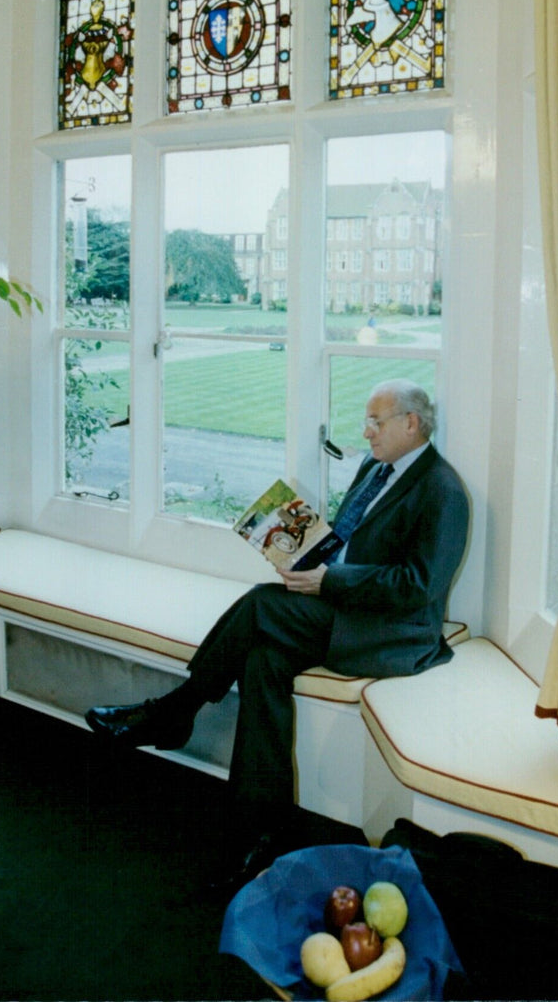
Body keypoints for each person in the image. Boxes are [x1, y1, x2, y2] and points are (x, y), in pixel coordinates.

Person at [85, 379, 469, 891]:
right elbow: (349, 542)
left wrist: (331, 580)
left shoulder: (442, 489)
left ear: (411, 423)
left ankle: (175, 711)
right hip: (345, 607)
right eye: (367, 420)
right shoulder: (374, 468)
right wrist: (305, 554)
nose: (366, 431)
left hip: (393, 633)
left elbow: (421, 587)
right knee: (263, 659)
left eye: (376, 422)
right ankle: (264, 828)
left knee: (264, 603)